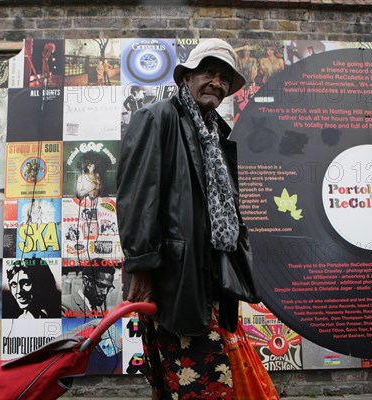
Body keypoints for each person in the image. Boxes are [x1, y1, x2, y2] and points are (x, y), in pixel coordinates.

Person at [117, 39, 276, 399]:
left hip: (211, 277)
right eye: (209, 73)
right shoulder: (158, 118)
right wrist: (141, 266)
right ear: (187, 77)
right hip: (174, 276)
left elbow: (224, 207)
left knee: (190, 379)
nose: (216, 84)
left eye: (224, 78)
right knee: (196, 380)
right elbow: (138, 196)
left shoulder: (216, 133)